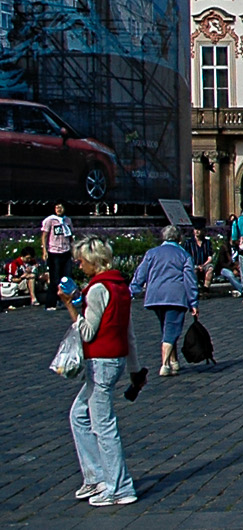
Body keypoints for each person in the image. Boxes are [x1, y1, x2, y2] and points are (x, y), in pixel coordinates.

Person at [58, 236, 140, 506]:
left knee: (103, 426)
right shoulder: (120, 287)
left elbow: (88, 332)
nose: (79, 266)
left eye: (80, 261)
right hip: (115, 359)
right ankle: (96, 476)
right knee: (79, 414)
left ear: (92, 261)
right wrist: (134, 369)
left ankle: (119, 486)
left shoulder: (96, 289)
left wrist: (70, 305)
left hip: (101, 360)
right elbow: (128, 333)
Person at [127, 226, 199, 378]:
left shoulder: (152, 253)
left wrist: (131, 291)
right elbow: (190, 281)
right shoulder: (184, 255)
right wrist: (193, 302)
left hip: (155, 296)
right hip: (175, 297)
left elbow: (140, 274)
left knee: (166, 327)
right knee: (172, 329)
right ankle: (165, 364)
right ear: (179, 238)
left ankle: (174, 361)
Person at [40, 202, 74, 311]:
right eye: (57, 207)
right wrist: (44, 251)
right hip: (54, 252)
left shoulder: (67, 220)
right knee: (54, 278)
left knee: (66, 278)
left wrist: (73, 250)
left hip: (66, 251)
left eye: (61, 207)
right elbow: (44, 236)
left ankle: (64, 300)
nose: (59, 209)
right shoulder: (50, 220)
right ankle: (51, 303)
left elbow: (71, 236)